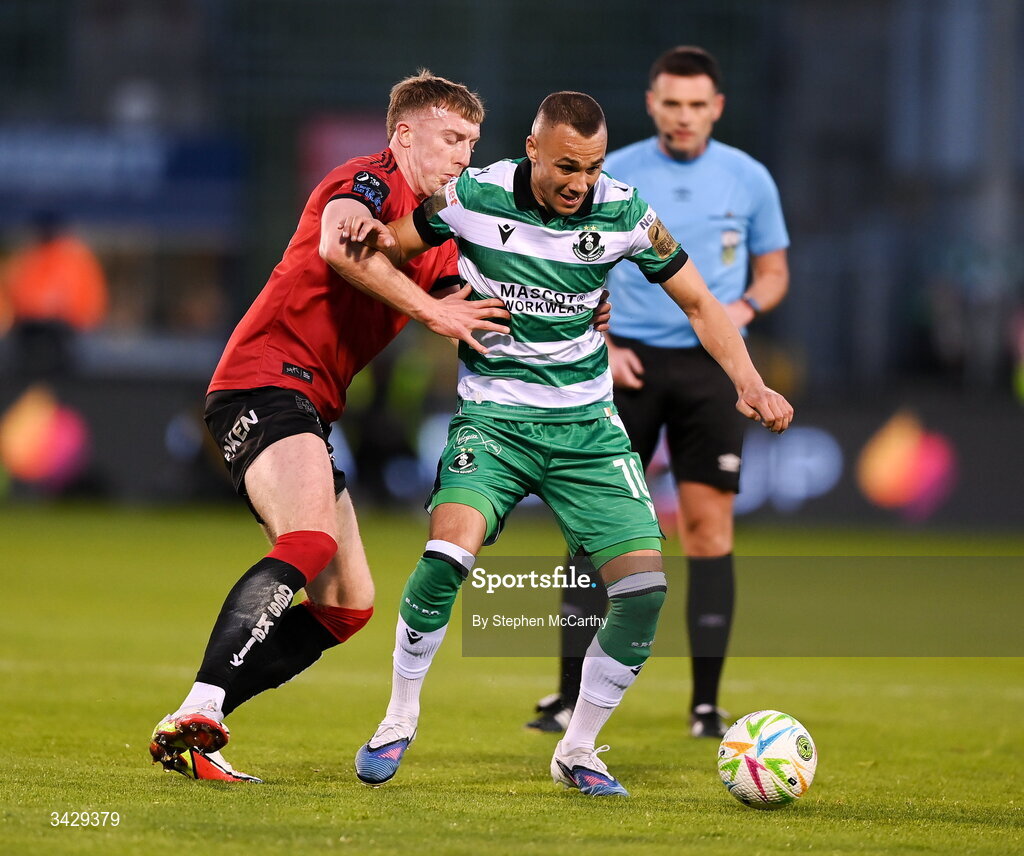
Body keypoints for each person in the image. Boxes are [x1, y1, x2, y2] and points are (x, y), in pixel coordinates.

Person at [339, 90, 792, 796]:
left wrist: (749, 382)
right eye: (566, 168)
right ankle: (399, 717)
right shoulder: (472, 195)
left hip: (587, 430)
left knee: (642, 593)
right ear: (531, 151)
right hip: (493, 422)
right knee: (445, 556)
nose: (580, 183)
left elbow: (701, 302)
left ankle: (577, 749)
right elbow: (391, 246)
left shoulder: (627, 213)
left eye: (592, 166)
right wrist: (434, 301)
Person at [147, 70, 512, 783]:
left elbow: (477, 318)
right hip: (263, 377)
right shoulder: (365, 181)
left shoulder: (434, 241)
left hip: (309, 403)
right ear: (404, 134)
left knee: (347, 606)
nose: (465, 156)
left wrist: (574, 325)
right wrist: (437, 314)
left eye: (472, 141)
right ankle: (203, 702)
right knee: (308, 541)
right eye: (451, 139)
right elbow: (340, 249)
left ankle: (197, 721)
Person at [525, 46, 790, 740]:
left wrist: (746, 313)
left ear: (717, 108)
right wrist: (604, 345)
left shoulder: (750, 178)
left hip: (708, 371)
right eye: (671, 103)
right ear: (652, 103)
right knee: (593, 529)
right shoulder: (615, 171)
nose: (683, 116)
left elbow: (774, 272)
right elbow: (565, 260)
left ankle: (705, 706)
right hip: (625, 365)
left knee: (708, 530)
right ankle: (563, 695)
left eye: (697, 104)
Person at [3, 211, 108, 380]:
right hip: (29, 330)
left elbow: (86, 301)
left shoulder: (74, 257)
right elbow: (17, 292)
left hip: (66, 331)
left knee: (62, 371)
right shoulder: (30, 256)